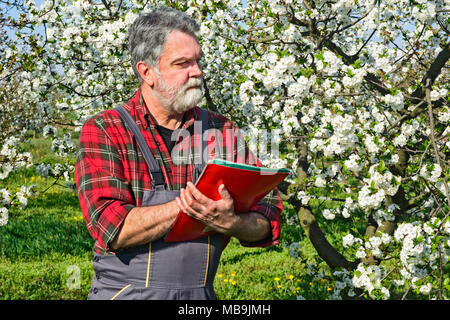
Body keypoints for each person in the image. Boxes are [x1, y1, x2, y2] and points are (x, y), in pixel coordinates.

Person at [75, 7, 283, 300]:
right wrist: (196, 207)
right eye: (182, 63)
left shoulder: (221, 130)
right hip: (125, 295)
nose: (196, 71)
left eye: (197, 60)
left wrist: (233, 222)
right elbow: (112, 227)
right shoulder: (106, 130)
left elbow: (268, 215)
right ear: (147, 72)